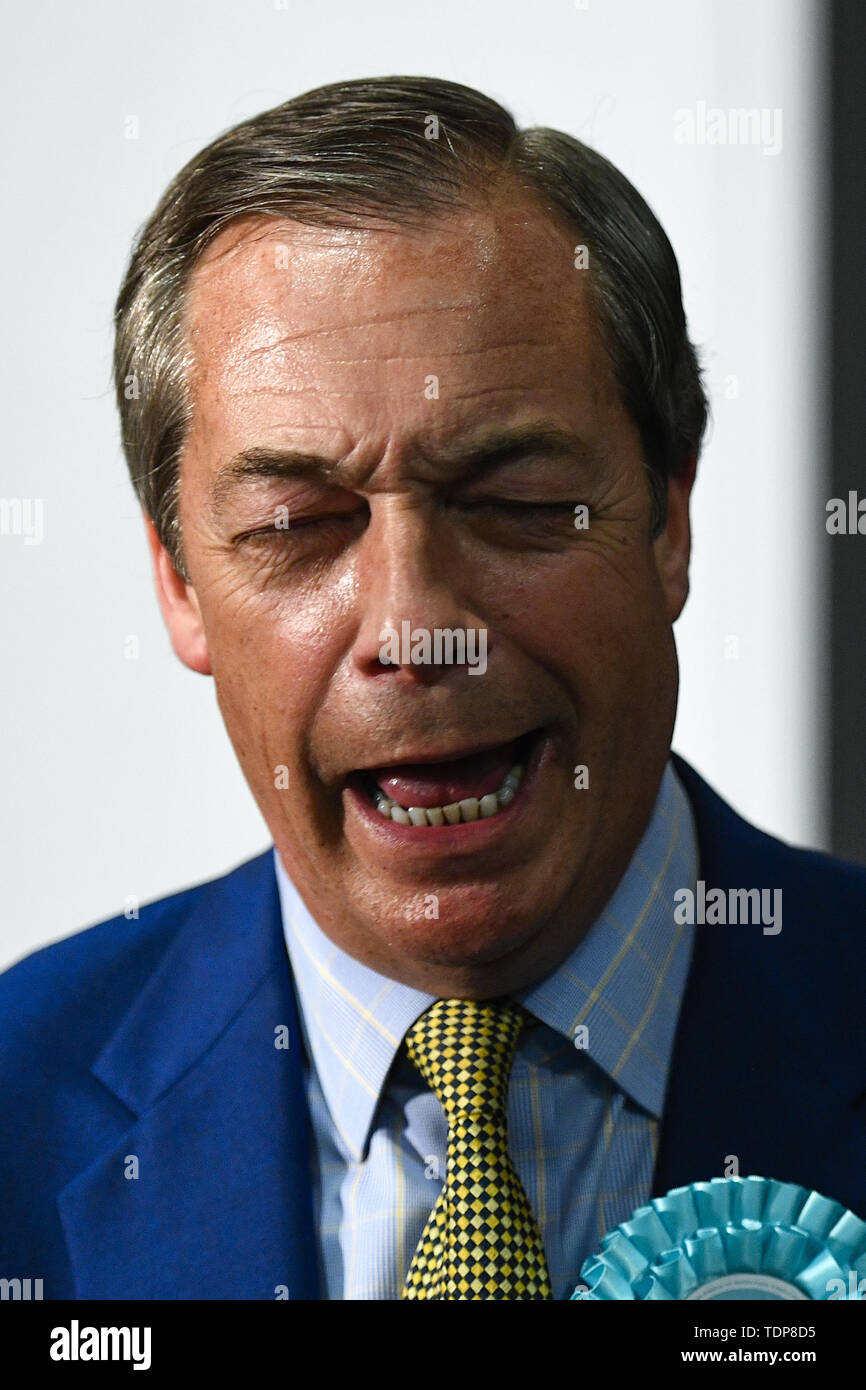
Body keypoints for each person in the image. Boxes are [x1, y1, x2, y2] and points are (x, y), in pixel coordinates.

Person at [2, 75, 864, 1302]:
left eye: (513, 505)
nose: (415, 631)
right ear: (178, 580)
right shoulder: (15, 1111)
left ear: (668, 519)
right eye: (298, 524)